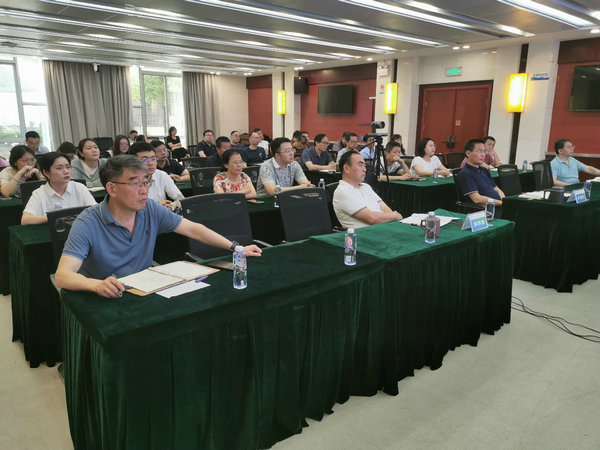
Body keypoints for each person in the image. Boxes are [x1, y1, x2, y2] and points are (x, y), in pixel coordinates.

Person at [54, 155, 262, 298]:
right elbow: (63, 276)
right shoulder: (87, 222)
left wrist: (236, 248)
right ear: (112, 189)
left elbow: (193, 229)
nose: (144, 190)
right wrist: (96, 285)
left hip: (143, 289)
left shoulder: (150, 209)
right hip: (106, 296)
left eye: (146, 182)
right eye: (135, 183)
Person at [21, 152, 96, 225]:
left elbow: (95, 211)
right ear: (46, 173)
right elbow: (25, 220)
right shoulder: (39, 193)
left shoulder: (79, 188)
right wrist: (56, 217)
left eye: (68, 167)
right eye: (59, 168)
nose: (66, 171)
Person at [333, 150, 402, 229]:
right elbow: (372, 218)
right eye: (360, 165)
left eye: (364, 166)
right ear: (346, 168)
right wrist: (395, 215)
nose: (365, 169)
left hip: (384, 228)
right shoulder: (343, 191)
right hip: (365, 233)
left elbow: (386, 209)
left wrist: (392, 216)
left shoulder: (366, 187)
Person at [129, 141, 184, 210]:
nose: (151, 163)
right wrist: (156, 207)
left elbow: (181, 198)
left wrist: (172, 205)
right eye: (145, 159)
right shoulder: (127, 181)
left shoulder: (162, 175)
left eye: (153, 159)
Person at [456, 139, 505, 206]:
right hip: (486, 209)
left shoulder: (484, 170)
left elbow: (496, 189)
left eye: (484, 151)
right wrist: (502, 203)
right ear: (468, 153)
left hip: (499, 205)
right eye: (480, 151)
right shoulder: (465, 173)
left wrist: (504, 200)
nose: (483, 155)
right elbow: (477, 199)